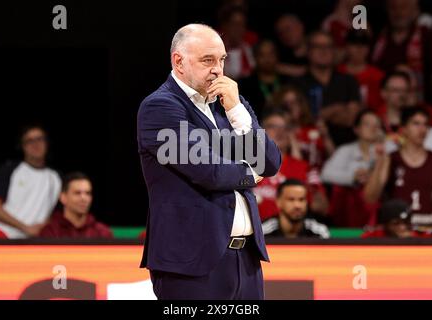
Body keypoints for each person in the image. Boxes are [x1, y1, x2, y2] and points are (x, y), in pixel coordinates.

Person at [137, 24, 281, 300]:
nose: (218, 69)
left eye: (222, 60)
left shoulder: (229, 102)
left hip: (246, 260)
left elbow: (271, 163)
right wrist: (252, 174)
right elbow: (210, 171)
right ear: (178, 61)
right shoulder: (160, 107)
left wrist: (237, 111)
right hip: (192, 264)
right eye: (208, 60)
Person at [364, 107, 432, 232]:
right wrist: (381, 164)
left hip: (428, 229)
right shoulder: (391, 158)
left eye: (425, 125)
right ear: (403, 129)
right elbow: (370, 198)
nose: (422, 129)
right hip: (396, 231)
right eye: (416, 124)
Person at [321, 110, 396, 227]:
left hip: (381, 203)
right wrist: (352, 177)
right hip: (350, 209)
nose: (373, 128)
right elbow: (326, 174)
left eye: (377, 125)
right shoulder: (346, 150)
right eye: (367, 124)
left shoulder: (389, 149)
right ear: (356, 129)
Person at [254, 108, 329, 222]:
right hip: (253, 233)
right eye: (272, 126)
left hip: (289, 236)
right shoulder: (245, 165)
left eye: (285, 128)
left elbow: (322, 207)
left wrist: (312, 190)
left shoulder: (304, 168)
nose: (280, 132)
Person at [0, 125, 61, 238]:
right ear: (22, 146)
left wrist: (41, 228)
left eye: (39, 139)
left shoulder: (55, 178)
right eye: (29, 141)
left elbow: (54, 215)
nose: (35, 144)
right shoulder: (10, 169)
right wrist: (25, 228)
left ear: (47, 143)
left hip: (30, 243)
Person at [294, 31, 361, 147]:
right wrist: (336, 109)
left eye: (328, 47)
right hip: (311, 145)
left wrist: (322, 115)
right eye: (318, 47)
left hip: (348, 146)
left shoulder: (348, 80)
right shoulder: (297, 84)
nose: (323, 51)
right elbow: (301, 119)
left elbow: (352, 118)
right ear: (308, 51)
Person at [371, 0, 432, 103]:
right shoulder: (377, 37)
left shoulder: (426, 36)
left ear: (414, 10)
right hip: (383, 102)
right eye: (393, 8)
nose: (398, 13)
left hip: (419, 102)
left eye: (403, 8)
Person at [269, 85, 335, 168]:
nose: (292, 106)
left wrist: (326, 136)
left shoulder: (314, 128)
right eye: (286, 103)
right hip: (297, 176)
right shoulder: (279, 133)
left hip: (322, 174)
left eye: (295, 102)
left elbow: (334, 158)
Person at [40, 172, 113, 238]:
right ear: (63, 197)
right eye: (77, 193)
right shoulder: (50, 232)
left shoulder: (102, 232)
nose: (84, 198)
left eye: (88, 193)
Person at [262, 179, 330, 239]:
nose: (297, 205)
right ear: (278, 202)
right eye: (291, 199)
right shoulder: (263, 233)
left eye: (301, 199)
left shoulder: (319, 232)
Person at [238, 39, 289, 117]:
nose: (267, 59)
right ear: (255, 57)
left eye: (270, 54)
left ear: (277, 56)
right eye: (262, 55)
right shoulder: (245, 86)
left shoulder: (287, 82)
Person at [337, 30, 385, 111]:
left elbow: (382, 106)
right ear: (346, 47)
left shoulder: (378, 75)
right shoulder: (337, 72)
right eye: (354, 44)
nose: (359, 48)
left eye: (363, 44)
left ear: (369, 48)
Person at [218, 5, 256, 80]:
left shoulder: (251, 50)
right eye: (235, 24)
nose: (239, 29)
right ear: (225, 26)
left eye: (242, 25)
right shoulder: (216, 51)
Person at [361, 199, 432, 238]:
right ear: (385, 224)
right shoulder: (373, 236)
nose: (402, 227)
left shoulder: (420, 236)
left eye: (406, 222)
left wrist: (411, 240)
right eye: (396, 223)